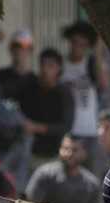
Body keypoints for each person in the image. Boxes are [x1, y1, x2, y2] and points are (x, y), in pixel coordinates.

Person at [0, 28, 38, 190]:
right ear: (11, 49)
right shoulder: (2, 75)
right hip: (3, 140)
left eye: (25, 47)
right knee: (1, 184)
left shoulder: (34, 80)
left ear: (30, 50)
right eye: (16, 46)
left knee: (19, 187)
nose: (20, 51)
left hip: (23, 140)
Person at [14, 48, 75, 177]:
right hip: (26, 153)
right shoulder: (29, 87)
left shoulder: (64, 94)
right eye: (43, 65)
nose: (45, 70)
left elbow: (65, 126)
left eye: (50, 65)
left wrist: (36, 128)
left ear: (59, 68)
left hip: (52, 155)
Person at [61, 20, 110, 180]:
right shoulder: (62, 64)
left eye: (82, 45)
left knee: (92, 176)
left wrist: (97, 53)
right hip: (69, 130)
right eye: (75, 43)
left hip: (89, 130)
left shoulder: (90, 64)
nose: (78, 49)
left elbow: (104, 83)